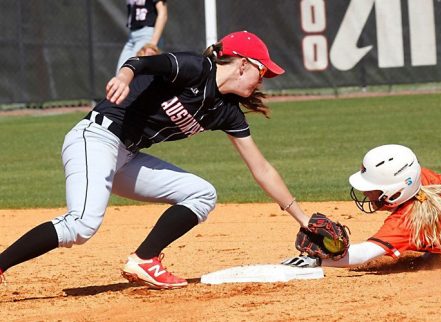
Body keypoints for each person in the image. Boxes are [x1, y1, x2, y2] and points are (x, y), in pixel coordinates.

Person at [0, 30, 311, 289]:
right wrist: (124, 75)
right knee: (81, 225)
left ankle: (145, 259)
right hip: (95, 139)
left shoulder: (225, 110)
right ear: (243, 64)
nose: (263, 79)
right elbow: (141, 62)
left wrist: (304, 219)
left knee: (202, 194)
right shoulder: (195, 68)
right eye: (262, 70)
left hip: (125, 156)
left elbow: (262, 168)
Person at [283, 144, 441, 268]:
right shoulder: (425, 181)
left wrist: (317, 260)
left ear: (396, 192)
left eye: (373, 189)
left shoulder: (405, 222)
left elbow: (363, 254)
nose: (366, 194)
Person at [116, 0, 168, 72]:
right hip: (132, 36)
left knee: (134, 73)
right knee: (120, 73)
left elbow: (163, 14)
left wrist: (152, 45)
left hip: (148, 35)